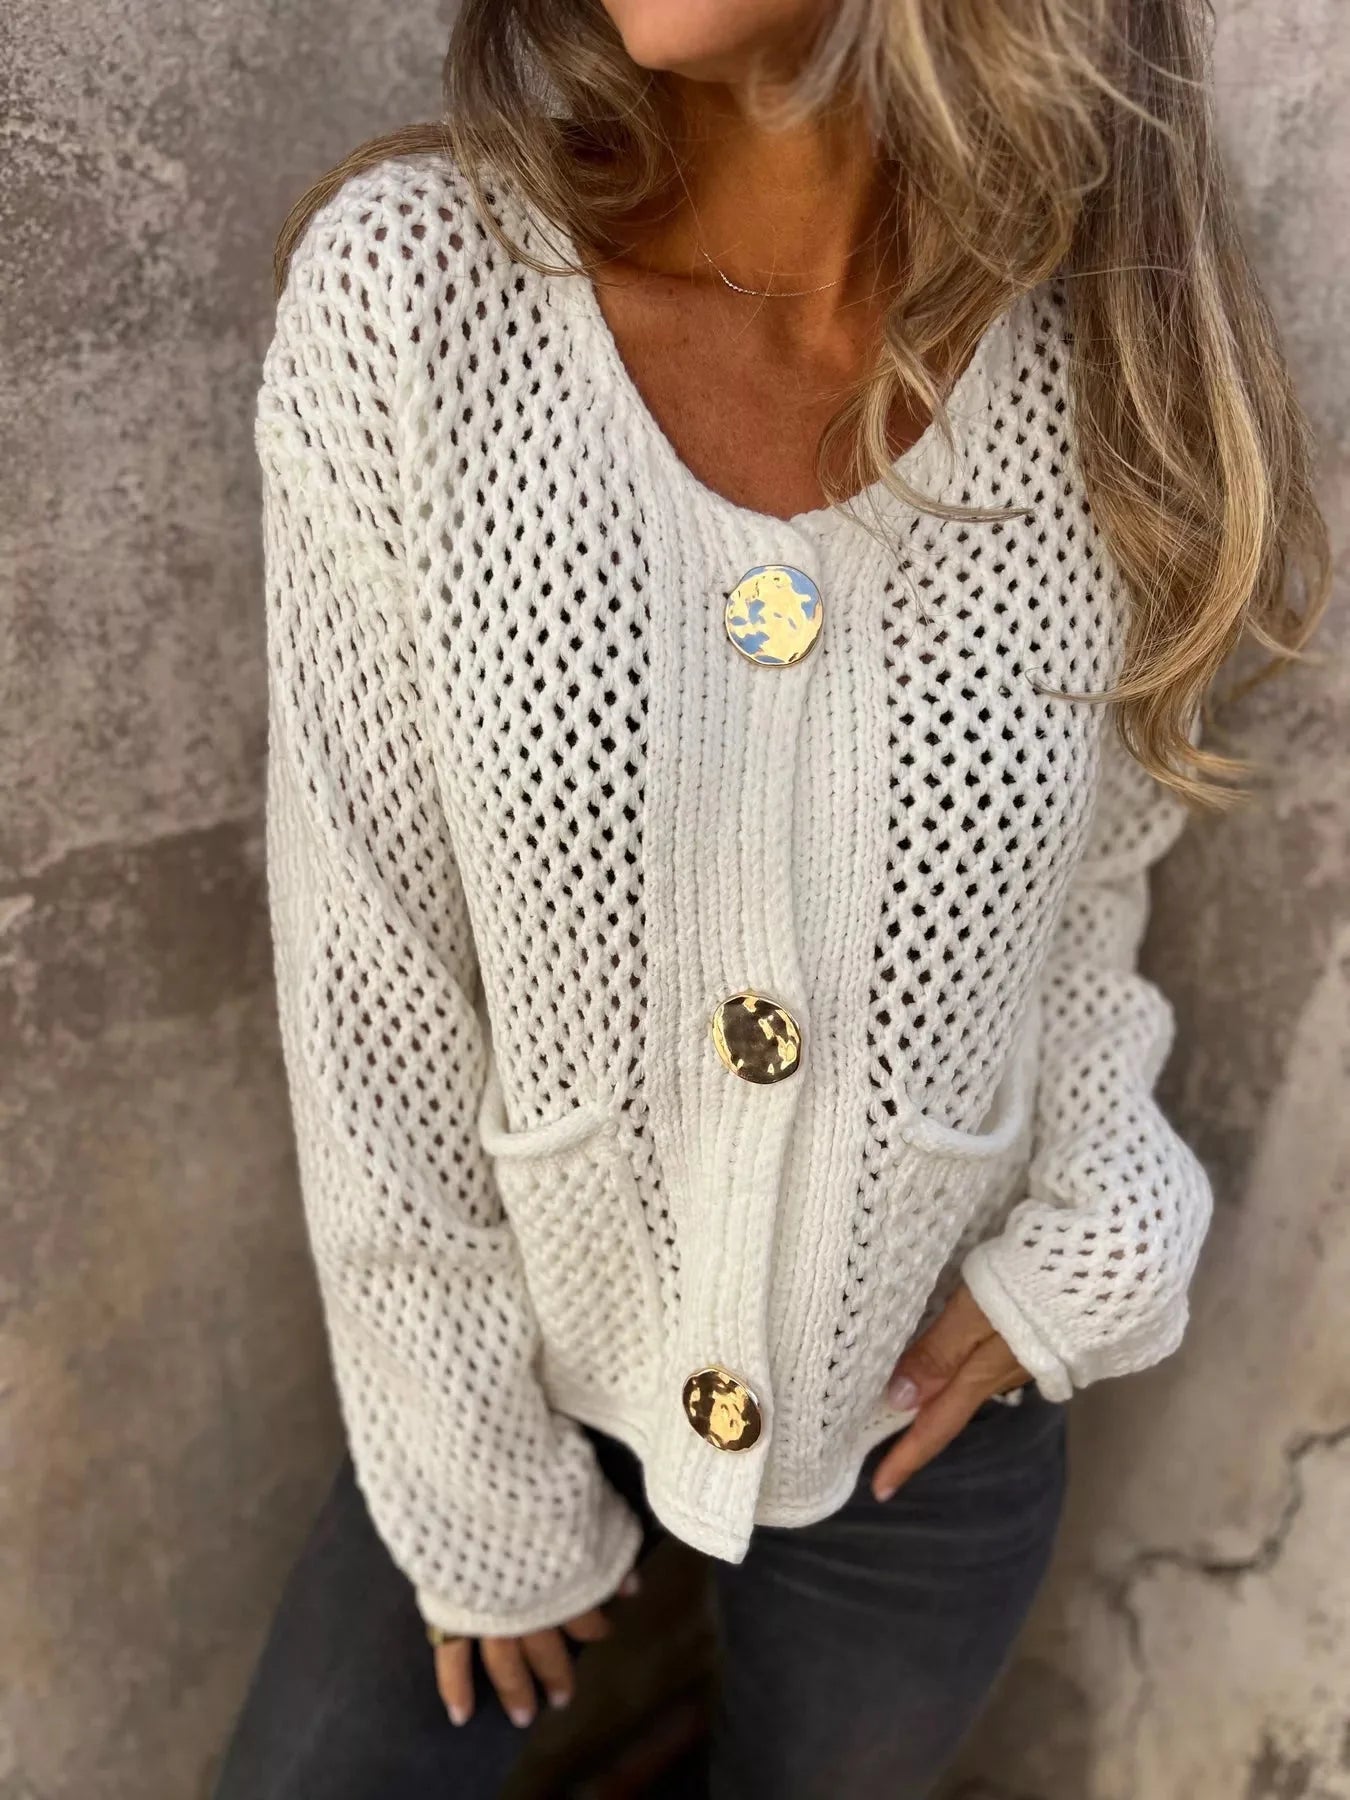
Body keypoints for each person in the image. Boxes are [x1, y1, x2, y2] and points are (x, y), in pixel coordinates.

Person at [215, 1, 1329, 1795]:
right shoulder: (420, 297)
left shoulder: (1105, 365)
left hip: (920, 1399)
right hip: (517, 1350)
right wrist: (474, 1486)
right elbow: (368, 973)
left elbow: (1084, 894)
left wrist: (1105, 1211)